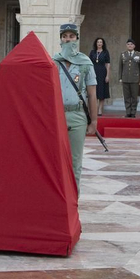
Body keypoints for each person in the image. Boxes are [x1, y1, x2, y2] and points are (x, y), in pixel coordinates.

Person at [53, 23, 98, 193]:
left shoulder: (85, 62)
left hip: (77, 114)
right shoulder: (53, 61)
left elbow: (92, 94)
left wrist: (93, 120)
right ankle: (57, 199)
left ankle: (72, 200)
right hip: (56, 114)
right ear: (61, 39)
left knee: (74, 161)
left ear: (77, 39)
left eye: (71, 37)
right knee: (55, 159)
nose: (68, 40)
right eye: (65, 36)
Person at [118, 39, 140, 118]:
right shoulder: (123, 54)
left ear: (134, 46)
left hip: (135, 79)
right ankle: (128, 111)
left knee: (134, 96)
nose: (130, 46)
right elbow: (120, 67)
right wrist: (120, 77)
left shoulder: (139, 54)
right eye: (128, 44)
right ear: (126, 45)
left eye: (131, 44)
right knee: (126, 96)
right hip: (125, 78)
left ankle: (133, 112)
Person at [88, 38, 111, 114]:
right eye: (98, 42)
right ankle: (94, 109)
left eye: (101, 42)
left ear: (103, 44)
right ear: (96, 43)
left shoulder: (105, 52)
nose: (99, 43)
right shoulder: (92, 52)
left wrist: (107, 75)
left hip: (102, 72)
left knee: (102, 91)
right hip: (94, 72)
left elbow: (108, 64)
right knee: (94, 91)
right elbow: (89, 63)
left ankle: (100, 109)